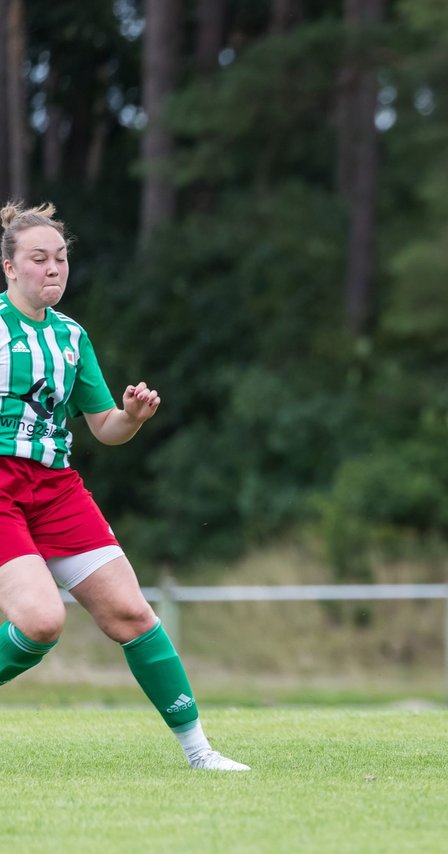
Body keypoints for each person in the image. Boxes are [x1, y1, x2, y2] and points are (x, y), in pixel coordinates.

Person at [0, 201, 248, 771]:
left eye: (61, 258)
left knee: (132, 615)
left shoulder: (71, 337)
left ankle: (200, 752)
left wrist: (132, 417)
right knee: (41, 622)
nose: (54, 269)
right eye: (39, 259)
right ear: (10, 268)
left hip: (57, 489)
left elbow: (105, 428)